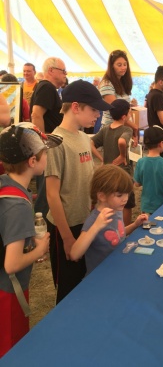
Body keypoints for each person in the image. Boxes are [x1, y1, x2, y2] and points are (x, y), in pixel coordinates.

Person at [45, 80, 112, 304]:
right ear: (75, 107)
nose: (98, 115)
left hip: (85, 221)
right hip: (65, 225)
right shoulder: (56, 142)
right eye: (93, 109)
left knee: (84, 278)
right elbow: (52, 195)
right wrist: (66, 238)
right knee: (67, 286)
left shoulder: (84, 137)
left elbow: (88, 176)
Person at [0, 122, 62, 357]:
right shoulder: (18, 205)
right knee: (11, 351)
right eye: (44, 152)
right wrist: (39, 249)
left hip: (9, 287)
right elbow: (12, 264)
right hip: (8, 292)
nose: (47, 156)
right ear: (33, 161)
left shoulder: (8, 184)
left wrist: (29, 248)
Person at [70, 165, 147, 275]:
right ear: (102, 196)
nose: (125, 199)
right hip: (100, 277)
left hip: (117, 269)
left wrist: (135, 225)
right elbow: (74, 254)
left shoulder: (117, 209)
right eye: (119, 195)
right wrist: (96, 226)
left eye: (127, 194)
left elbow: (117, 235)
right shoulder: (94, 220)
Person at [30, 57, 65, 218]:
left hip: (46, 144)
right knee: (45, 193)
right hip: (48, 145)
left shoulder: (45, 87)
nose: (65, 74)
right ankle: (41, 228)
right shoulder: (47, 87)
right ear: (51, 71)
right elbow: (36, 114)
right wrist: (44, 142)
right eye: (63, 71)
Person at [91, 99, 135, 226]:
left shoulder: (105, 129)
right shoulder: (126, 130)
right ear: (124, 116)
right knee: (127, 204)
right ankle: (126, 230)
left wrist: (101, 158)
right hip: (123, 173)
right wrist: (122, 155)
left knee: (110, 201)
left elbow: (91, 143)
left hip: (108, 173)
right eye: (130, 111)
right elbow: (122, 141)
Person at [99, 50, 138, 144]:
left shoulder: (122, 83)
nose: (123, 67)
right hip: (112, 129)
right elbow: (117, 111)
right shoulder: (107, 84)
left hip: (124, 127)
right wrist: (134, 126)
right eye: (119, 65)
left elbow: (124, 109)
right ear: (112, 66)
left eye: (125, 64)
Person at [134, 126, 163, 214]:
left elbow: (137, 184)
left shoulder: (140, 162)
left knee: (146, 226)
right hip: (162, 205)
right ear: (161, 143)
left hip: (145, 206)